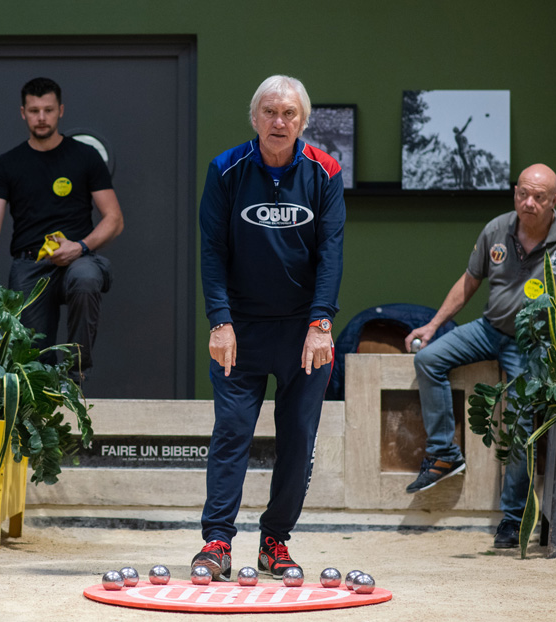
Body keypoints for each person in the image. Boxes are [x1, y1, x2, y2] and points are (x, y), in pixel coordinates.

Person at [193, 75, 345, 581]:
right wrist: (220, 321)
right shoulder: (226, 169)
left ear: (302, 121)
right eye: (270, 113)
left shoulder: (325, 171)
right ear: (255, 118)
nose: (279, 122)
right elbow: (212, 251)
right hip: (241, 330)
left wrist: (322, 322)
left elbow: (331, 253)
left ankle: (275, 542)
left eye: (289, 114)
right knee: (232, 431)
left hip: (305, 334)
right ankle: (217, 541)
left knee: (298, 437)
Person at [403, 163, 556, 549]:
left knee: (521, 426)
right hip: (489, 330)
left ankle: (513, 518)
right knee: (427, 360)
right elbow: (470, 280)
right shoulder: (497, 229)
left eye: (539, 197)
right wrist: (434, 325)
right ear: (515, 192)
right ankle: (444, 453)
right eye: (523, 193)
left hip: (534, 346)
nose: (529, 202)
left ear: (554, 200)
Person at [0, 77, 124, 381]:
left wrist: (81, 247)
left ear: (61, 110)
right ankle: (45, 391)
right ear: (23, 113)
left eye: (48, 109)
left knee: (86, 278)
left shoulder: (85, 157)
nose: (41, 117)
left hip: (77, 256)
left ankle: (75, 371)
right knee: (32, 358)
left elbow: (114, 219)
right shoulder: (8, 164)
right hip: (30, 263)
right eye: (34, 111)